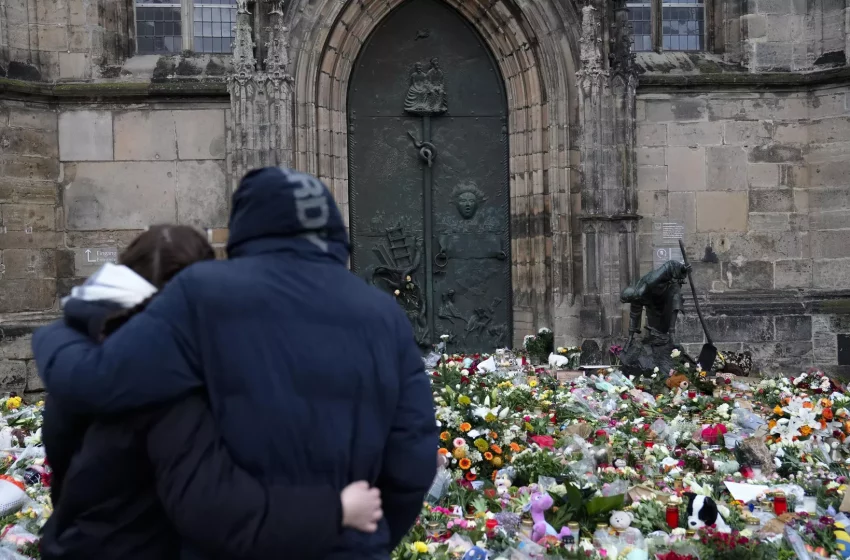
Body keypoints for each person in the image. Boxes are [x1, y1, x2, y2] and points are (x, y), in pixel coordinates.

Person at [33, 168, 438, 559]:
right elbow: (413, 462)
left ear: (246, 226)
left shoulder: (203, 293)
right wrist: (362, 537)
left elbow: (98, 381)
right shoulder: (385, 314)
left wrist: (56, 332)